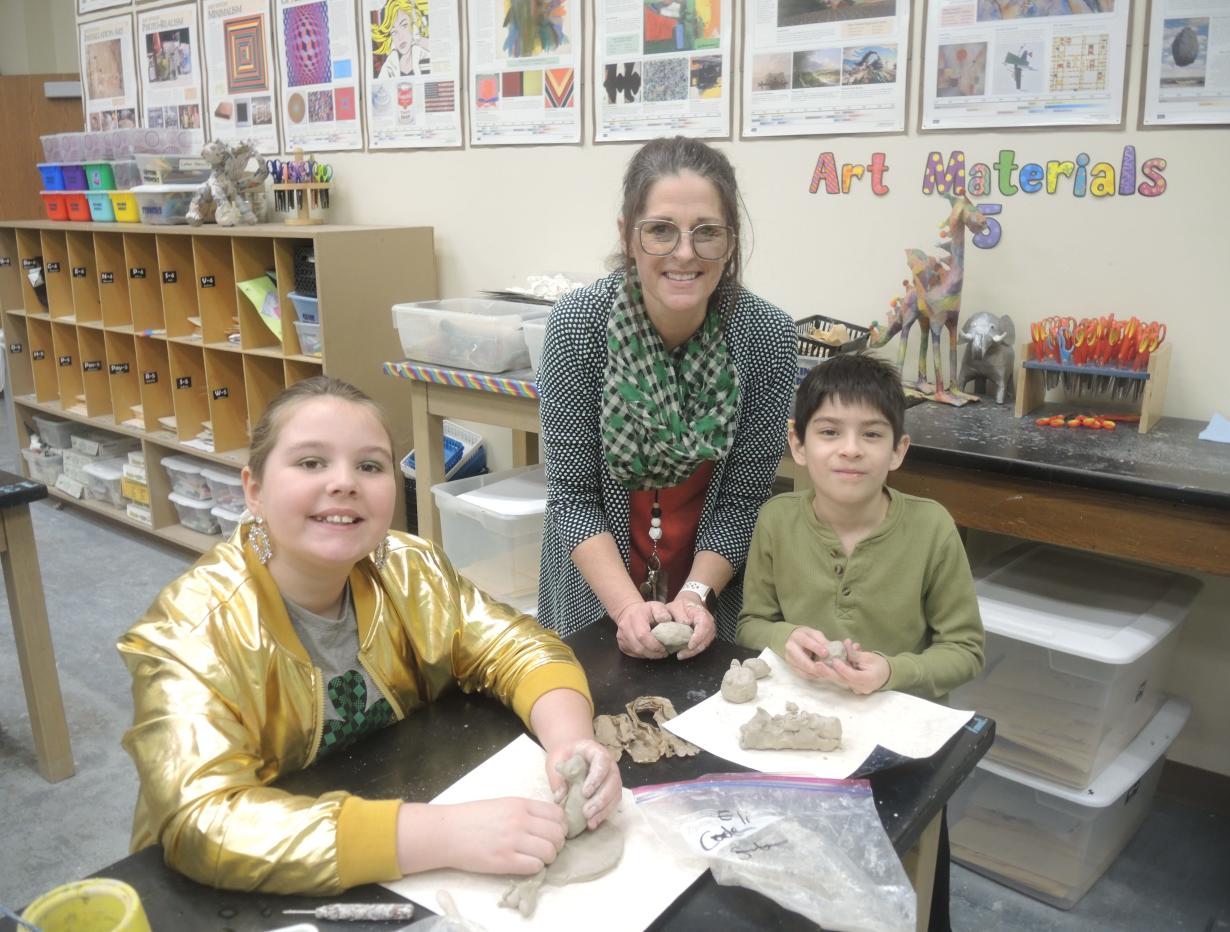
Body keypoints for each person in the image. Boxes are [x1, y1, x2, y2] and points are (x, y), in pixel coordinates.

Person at [117, 376, 621, 894]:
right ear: (254, 491)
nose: (344, 482)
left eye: (370, 465)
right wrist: (439, 835)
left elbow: (516, 645)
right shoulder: (188, 632)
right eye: (311, 462)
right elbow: (202, 822)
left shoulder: (409, 567)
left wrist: (571, 742)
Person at [735, 352, 985, 930]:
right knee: (802, 888)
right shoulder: (776, 519)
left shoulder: (931, 528)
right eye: (829, 432)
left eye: (871, 434)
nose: (850, 449)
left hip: (901, 748)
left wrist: (892, 672)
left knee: (907, 885)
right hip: (801, 736)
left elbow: (966, 650)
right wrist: (785, 635)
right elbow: (751, 622)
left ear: (898, 450)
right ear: (798, 445)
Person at [537, 137, 796, 660]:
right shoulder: (578, 325)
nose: (684, 253)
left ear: (731, 241)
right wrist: (627, 609)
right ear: (627, 236)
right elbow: (573, 498)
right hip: (595, 597)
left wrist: (696, 596)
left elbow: (743, 499)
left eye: (707, 233)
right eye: (660, 230)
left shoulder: (766, 336)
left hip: (709, 601)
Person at [373, 0, 432, 78]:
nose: (400, 37)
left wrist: (419, 39)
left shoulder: (425, 55)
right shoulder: (389, 68)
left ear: (413, 23)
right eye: (393, 32)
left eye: (404, 25)